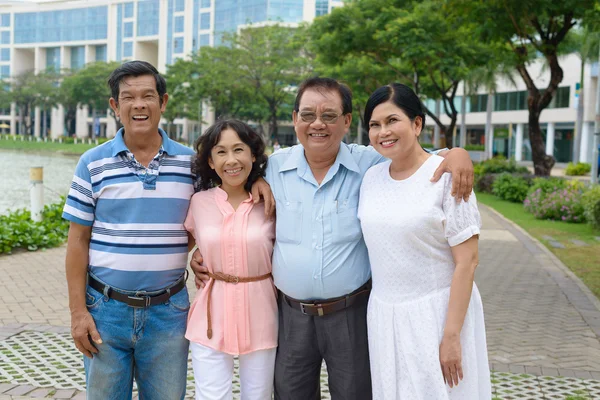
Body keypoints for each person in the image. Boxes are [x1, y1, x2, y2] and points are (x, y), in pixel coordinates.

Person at [192, 77, 475, 400]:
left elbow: (414, 154)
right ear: (295, 119)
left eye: (329, 116)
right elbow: (234, 195)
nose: (317, 124)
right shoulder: (273, 169)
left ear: (347, 121)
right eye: (308, 114)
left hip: (350, 314)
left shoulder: (370, 163)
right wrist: (203, 253)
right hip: (290, 317)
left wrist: (456, 153)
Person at [62, 61, 274, 399]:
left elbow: (223, 195)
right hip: (106, 310)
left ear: (163, 102)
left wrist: (258, 179)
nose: (139, 105)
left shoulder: (190, 164)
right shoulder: (92, 163)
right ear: (115, 106)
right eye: (128, 97)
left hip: (169, 311)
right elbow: (77, 242)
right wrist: (78, 313)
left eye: (148, 96)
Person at [358, 83, 490, 399]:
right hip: (384, 315)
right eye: (374, 125)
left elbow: (467, 261)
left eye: (392, 121)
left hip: (437, 314)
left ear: (417, 124)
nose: (382, 132)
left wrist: (452, 335)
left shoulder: (447, 177)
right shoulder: (371, 178)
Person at [184, 119, 277, 399]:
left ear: (253, 156)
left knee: (258, 396)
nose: (231, 160)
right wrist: (195, 259)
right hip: (210, 317)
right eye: (221, 152)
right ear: (210, 162)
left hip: (261, 315)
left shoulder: (271, 201)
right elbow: (189, 244)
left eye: (239, 149)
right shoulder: (199, 202)